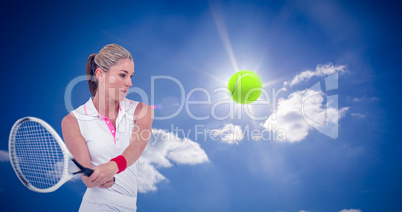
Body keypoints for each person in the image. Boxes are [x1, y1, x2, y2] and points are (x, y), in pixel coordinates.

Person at [61, 44, 153, 211]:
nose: (130, 83)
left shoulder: (141, 111)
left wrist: (113, 167)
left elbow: (137, 146)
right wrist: (98, 178)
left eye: (131, 76)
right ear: (100, 74)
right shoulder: (72, 121)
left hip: (129, 206)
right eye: (123, 75)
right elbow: (87, 178)